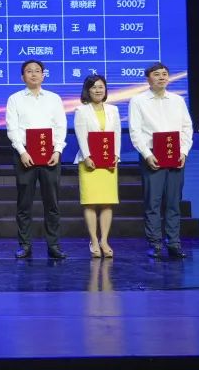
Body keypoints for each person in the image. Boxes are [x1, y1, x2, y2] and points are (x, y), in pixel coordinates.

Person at [129, 62, 194, 259]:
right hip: (152, 155)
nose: (162, 77)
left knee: (174, 202)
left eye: (165, 74)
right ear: (148, 79)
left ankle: (174, 243)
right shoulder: (138, 101)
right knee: (153, 202)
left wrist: (184, 152)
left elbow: (187, 127)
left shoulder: (177, 100)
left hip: (176, 154)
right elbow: (135, 131)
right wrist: (147, 155)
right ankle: (155, 243)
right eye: (157, 74)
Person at [5, 59, 68, 259]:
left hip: (50, 156)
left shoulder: (54, 98)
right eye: (29, 71)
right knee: (24, 204)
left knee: (52, 203)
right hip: (25, 156)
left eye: (37, 71)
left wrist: (57, 151)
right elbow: (12, 128)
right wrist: (22, 151)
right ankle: (25, 245)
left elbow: (60, 126)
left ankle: (53, 245)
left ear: (43, 75)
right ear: (22, 76)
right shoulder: (15, 99)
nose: (33, 74)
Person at [73, 74, 121, 259]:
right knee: (91, 202)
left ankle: (104, 240)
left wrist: (116, 155)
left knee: (107, 202)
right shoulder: (81, 110)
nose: (98, 90)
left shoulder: (113, 110)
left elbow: (116, 134)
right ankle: (93, 240)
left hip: (109, 161)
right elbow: (81, 135)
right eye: (94, 87)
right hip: (89, 162)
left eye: (101, 87)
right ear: (88, 90)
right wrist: (87, 156)